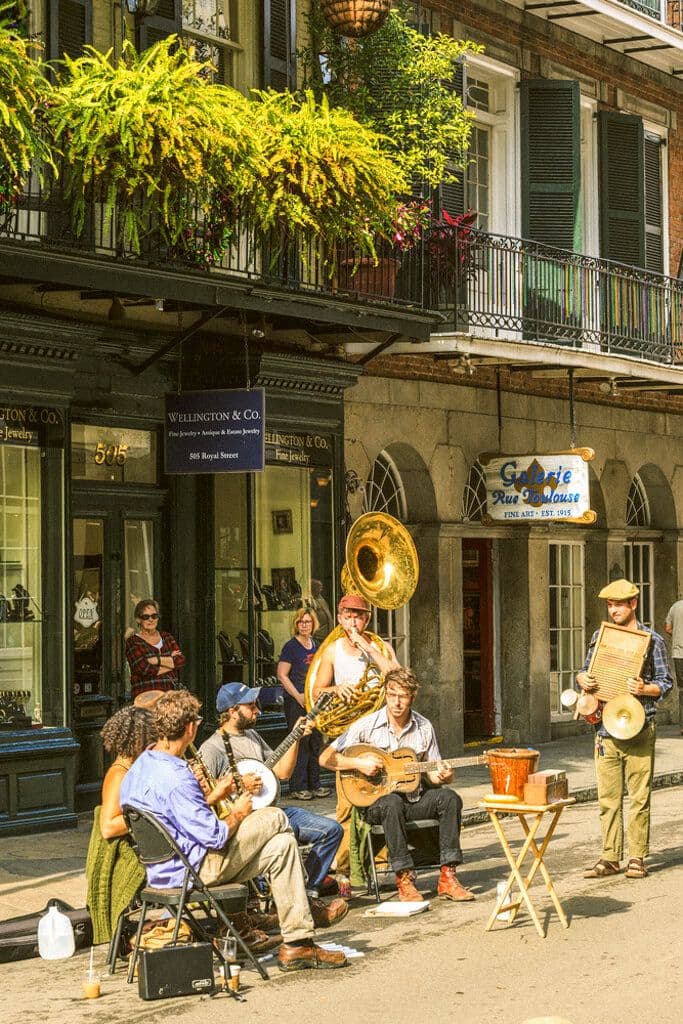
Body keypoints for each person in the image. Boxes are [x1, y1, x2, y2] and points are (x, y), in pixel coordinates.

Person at [120, 689, 347, 973]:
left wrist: (213, 795)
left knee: (283, 846)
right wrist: (239, 810)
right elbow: (214, 836)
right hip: (195, 870)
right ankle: (302, 909)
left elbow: (176, 816)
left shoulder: (140, 767)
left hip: (164, 868)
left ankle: (297, 944)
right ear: (190, 728)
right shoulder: (177, 775)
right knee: (275, 816)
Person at [320, 667, 475, 902]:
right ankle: (403, 878)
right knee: (391, 803)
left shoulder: (424, 727)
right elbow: (326, 758)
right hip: (377, 804)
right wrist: (358, 763)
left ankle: (448, 876)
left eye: (402, 696)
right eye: (392, 695)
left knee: (450, 798)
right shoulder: (366, 725)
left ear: (412, 698)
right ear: (385, 694)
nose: (397, 702)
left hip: (413, 799)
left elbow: (433, 772)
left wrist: (445, 776)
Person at [198, 682, 346, 917]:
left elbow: (282, 772)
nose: (257, 709)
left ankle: (306, 894)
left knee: (332, 830)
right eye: (250, 705)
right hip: (246, 821)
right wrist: (239, 783)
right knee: (281, 839)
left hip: (275, 811)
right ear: (231, 711)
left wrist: (295, 737)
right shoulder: (212, 747)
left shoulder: (253, 736)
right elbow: (204, 792)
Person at [577, 578, 673, 880]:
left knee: (640, 797)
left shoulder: (653, 640)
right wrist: (582, 680)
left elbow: (666, 684)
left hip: (639, 725)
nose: (614, 609)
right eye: (610, 604)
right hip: (605, 728)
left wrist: (645, 688)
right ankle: (609, 857)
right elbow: (586, 671)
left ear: (633, 604)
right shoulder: (600, 636)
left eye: (619, 604)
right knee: (608, 798)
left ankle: (637, 856)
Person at [313, 592, 400, 891]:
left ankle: (381, 865)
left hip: (382, 736)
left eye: (359, 615)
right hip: (349, 737)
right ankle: (345, 873)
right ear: (339, 617)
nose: (353, 621)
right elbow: (316, 692)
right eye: (348, 615)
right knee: (347, 808)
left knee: (386, 800)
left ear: (367, 619)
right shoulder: (332, 651)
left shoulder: (379, 646)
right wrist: (337, 689)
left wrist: (368, 648)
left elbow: (396, 676)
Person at [85, 706, 157, 945]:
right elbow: (108, 826)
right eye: (152, 738)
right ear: (139, 740)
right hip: (132, 856)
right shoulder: (119, 774)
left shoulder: (135, 769)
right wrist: (150, 814)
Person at [277, 607, 329, 799]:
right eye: (300, 622)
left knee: (315, 741)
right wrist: (297, 695)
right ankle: (298, 786)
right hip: (296, 701)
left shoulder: (316, 645)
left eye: (307, 622)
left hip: (314, 701)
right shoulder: (291, 646)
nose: (304, 625)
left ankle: (315, 783)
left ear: (313, 623)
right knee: (299, 742)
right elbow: (282, 674)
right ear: (296, 625)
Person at [124, 599, 186, 701]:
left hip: (169, 697)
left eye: (154, 616)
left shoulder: (167, 637)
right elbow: (144, 669)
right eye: (146, 617)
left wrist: (156, 660)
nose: (151, 620)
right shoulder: (133, 642)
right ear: (138, 619)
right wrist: (170, 663)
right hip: (146, 698)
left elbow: (180, 660)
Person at [664, 596, 683, 734]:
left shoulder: (675, 607)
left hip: (679, 654)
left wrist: (677, 635)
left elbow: (668, 628)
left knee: (682, 691)